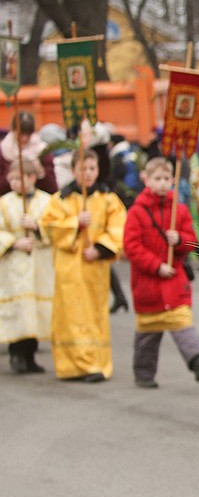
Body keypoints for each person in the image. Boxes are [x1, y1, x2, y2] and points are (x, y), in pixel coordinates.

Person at [122, 157, 199, 388]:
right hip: (149, 283)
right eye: (157, 179)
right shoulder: (137, 212)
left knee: (182, 323)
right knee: (148, 334)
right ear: (146, 180)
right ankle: (143, 373)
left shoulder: (180, 209)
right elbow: (132, 247)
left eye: (167, 179)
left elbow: (192, 241)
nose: (163, 183)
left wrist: (179, 240)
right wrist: (156, 265)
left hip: (174, 281)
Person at [39, 153, 126, 382]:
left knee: (93, 316)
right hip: (69, 268)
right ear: (73, 170)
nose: (87, 173)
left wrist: (100, 249)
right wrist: (75, 223)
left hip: (94, 268)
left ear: (97, 170)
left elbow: (118, 228)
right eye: (82, 168)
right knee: (70, 316)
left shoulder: (108, 198)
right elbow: (48, 228)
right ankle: (72, 365)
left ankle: (94, 363)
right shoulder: (61, 199)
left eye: (91, 168)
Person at [0, 155, 54, 373]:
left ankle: (31, 354)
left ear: (32, 178)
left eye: (19, 178)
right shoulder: (4, 203)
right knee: (19, 309)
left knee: (36, 312)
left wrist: (37, 227)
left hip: (39, 263)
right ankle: (16, 352)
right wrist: (14, 242)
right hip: (15, 264)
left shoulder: (47, 201)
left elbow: (55, 227)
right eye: (11, 179)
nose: (14, 183)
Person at [0, 112, 59, 195]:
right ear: (13, 130)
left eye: (28, 134)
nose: (24, 138)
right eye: (21, 134)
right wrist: (11, 176)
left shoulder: (43, 151)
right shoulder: (3, 150)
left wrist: (41, 172)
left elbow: (53, 189)